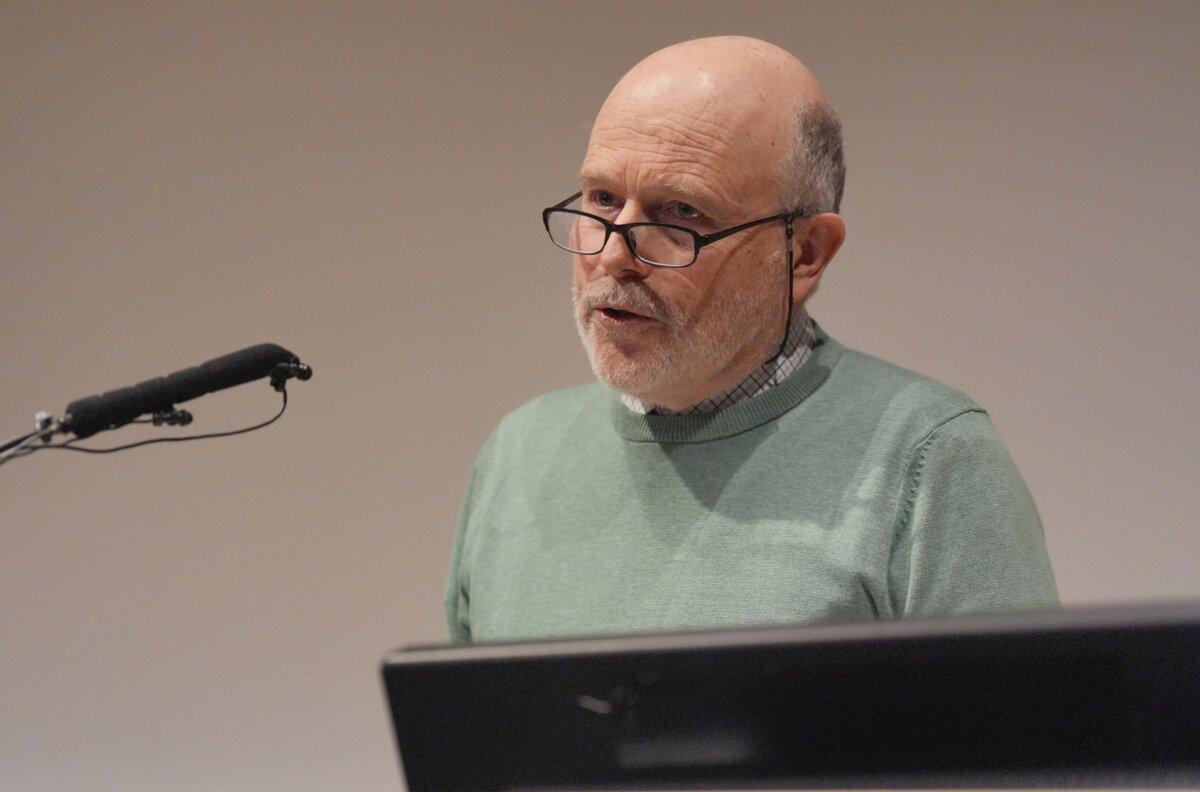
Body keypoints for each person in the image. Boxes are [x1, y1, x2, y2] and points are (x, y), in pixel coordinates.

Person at [445, 36, 1057, 643]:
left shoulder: (928, 458)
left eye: (680, 213)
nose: (612, 254)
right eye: (603, 198)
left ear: (806, 253)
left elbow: (1037, 740)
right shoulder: (517, 457)